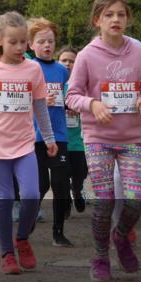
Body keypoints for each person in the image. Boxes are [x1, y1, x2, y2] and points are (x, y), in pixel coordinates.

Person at [66, 0, 141, 282]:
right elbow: (71, 95)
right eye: (109, 15)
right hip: (98, 138)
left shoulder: (138, 51)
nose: (116, 19)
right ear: (97, 21)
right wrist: (93, 104)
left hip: (131, 138)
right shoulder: (87, 56)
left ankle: (121, 236)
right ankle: (100, 257)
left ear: (128, 19)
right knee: (103, 200)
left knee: (136, 199)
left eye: (121, 14)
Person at [0, 12, 58, 274]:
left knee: (31, 194)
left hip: (24, 144)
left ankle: (22, 238)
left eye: (23, 42)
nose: (20, 47)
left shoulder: (33, 69)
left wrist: (49, 137)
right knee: (5, 198)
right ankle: (7, 253)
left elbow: (40, 106)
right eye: (13, 42)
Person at [27, 18, 72, 247]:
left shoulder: (62, 71)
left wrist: (70, 103)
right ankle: (28, 223)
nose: (47, 45)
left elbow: (70, 95)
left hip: (59, 135)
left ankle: (58, 233)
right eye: (41, 41)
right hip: (34, 137)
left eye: (51, 41)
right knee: (41, 185)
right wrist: (40, 101)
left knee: (61, 184)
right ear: (31, 44)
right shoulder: (28, 68)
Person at [57, 46, 87, 214]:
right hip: (60, 139)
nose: (68, 64)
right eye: (64, 60)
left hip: (79, 140)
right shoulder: (54, 84)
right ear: (57, 62)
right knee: (61, 175)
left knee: (80, 174)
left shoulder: (83, 84)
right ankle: (65, 200)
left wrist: (79, 107)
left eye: (72, 61)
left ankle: (77, 190)